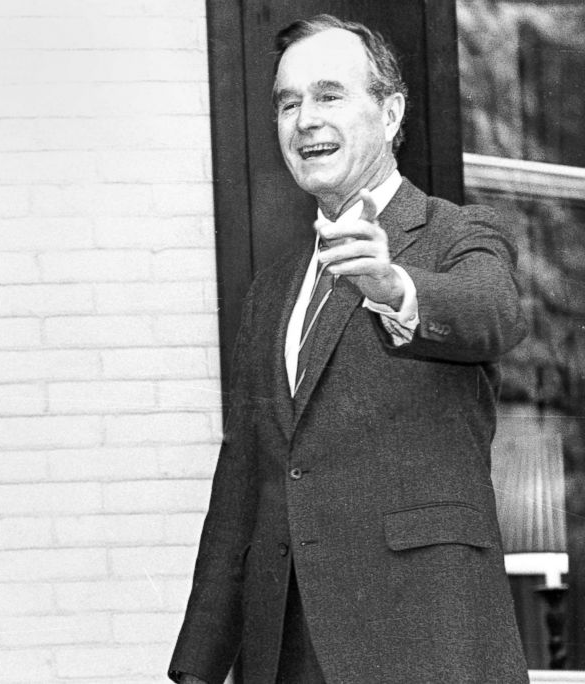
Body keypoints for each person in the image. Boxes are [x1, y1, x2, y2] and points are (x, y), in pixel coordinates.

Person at [169, 15, 529, 684]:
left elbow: (495, 313)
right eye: (287, 101)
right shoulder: (271, 289)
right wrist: (197, 666)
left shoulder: (457, 233)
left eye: (329, 95)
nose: (304, 119)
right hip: (285, 645)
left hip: (423, 639)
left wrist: (394, 286)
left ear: (390, 111)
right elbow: (242, 483)